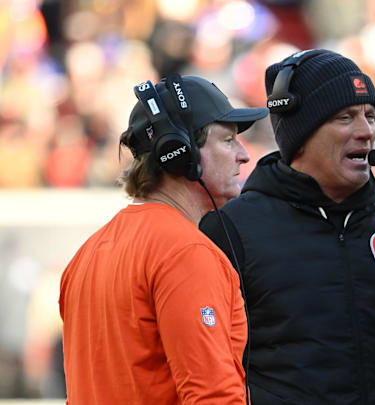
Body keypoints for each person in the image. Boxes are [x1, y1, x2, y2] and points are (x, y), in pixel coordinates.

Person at [200, 49, 375, 404]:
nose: (365, 131)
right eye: (345, 117)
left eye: (370, 116)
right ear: (301, 133)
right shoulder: (230, 229)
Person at [59, 74, 268, 404]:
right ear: (180, 153)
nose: (243, 155)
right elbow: (212, 396)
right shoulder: (186, 253)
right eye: (228, 140)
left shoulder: (87, 254)